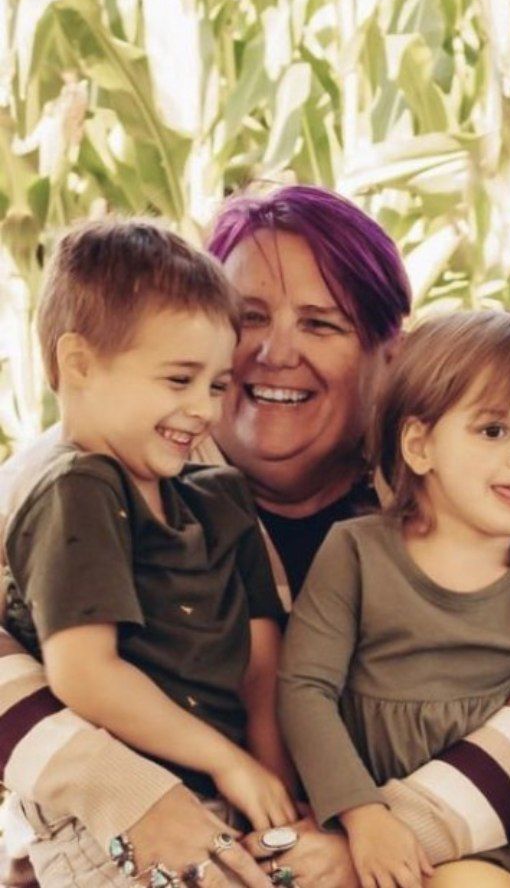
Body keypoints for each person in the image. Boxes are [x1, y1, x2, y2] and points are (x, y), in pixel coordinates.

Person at [0, 186, 510, 888]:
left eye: (321, 324)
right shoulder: (88, 477)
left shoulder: (452, 481)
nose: (274, 353)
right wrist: (127, 794)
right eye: (249, 319)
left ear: (388, 354)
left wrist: (384, 830)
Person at [280, 310, 510, 888]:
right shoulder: (357, 553)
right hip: (415, 843)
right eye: (494, 430)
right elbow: (304, 690)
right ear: (420, 446)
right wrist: (364, 814)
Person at [1, 221, 297, 886]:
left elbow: (261, 662)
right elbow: (85, 673)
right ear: (78, 363)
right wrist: (228, 760)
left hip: (221, 794)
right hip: (106, 818)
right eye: (178, 379)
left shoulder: (220, 498)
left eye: (218, 385)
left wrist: (270, 784)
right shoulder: (75, 489)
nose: (203, 410)